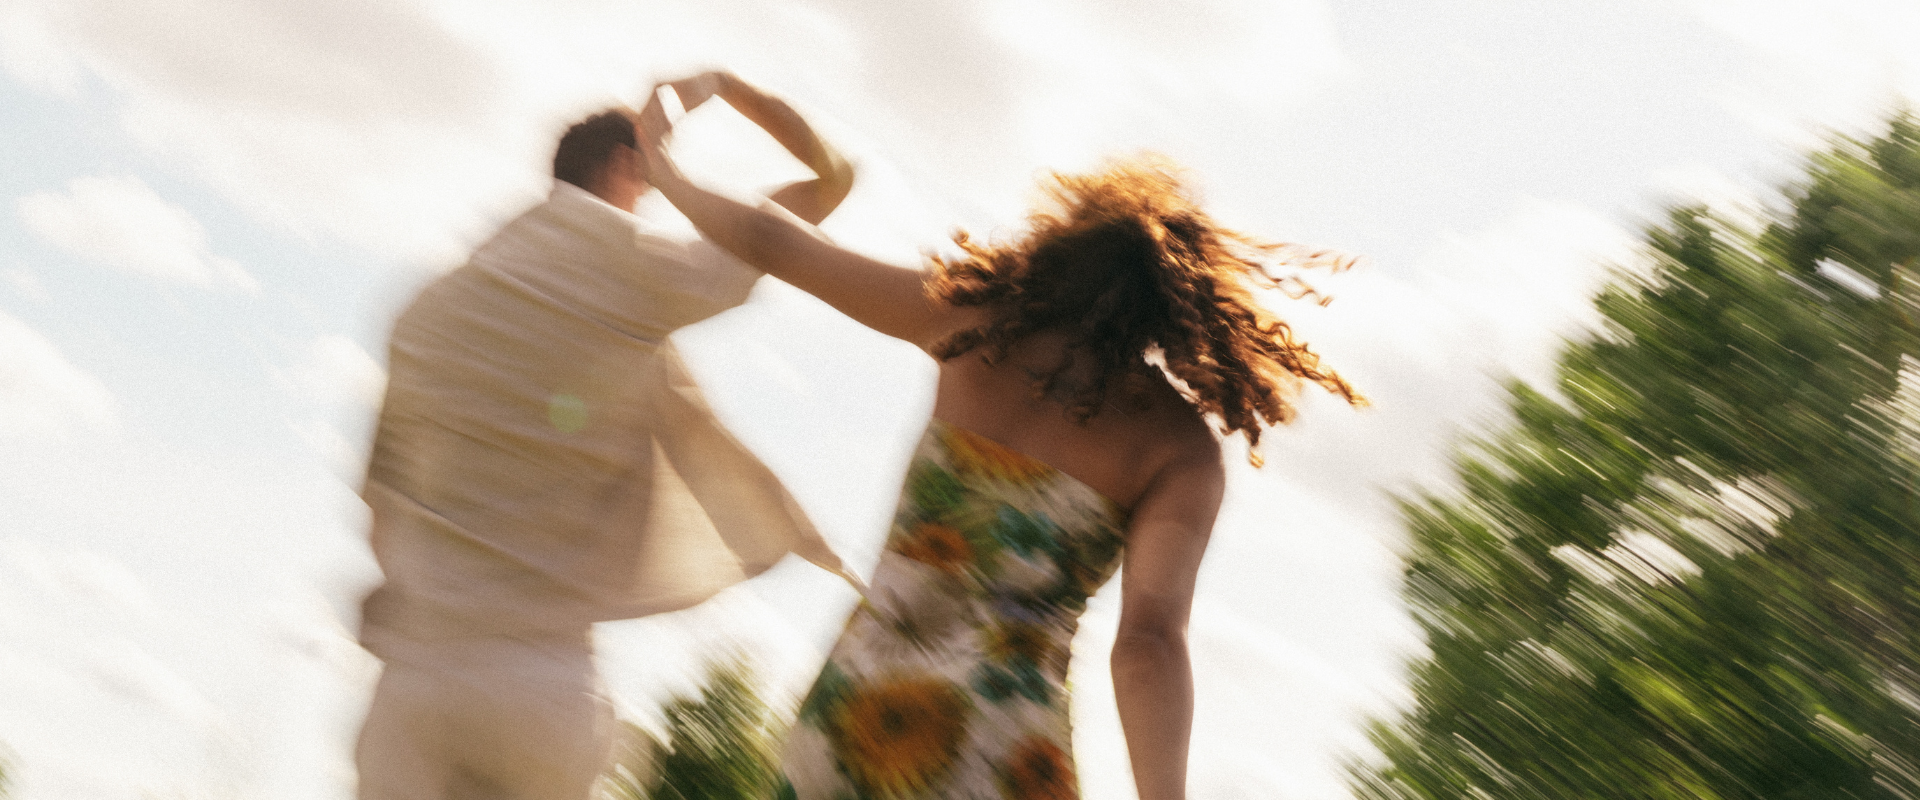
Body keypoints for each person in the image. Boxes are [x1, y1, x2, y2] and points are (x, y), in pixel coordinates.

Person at [639, 79, 1364, 800]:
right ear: (1177, 309)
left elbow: (773, 239)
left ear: (1063, 247)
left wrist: (662, 163)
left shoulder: (972, 324)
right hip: (1002, 747)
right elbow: (1148, 645)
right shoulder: (1178, 449)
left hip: (855, 719)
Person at [352, 72, 861, 800]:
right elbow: (833, 180)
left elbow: (379, 509)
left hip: (413, 683)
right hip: (541, 685)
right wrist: (718, 88)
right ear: (631, 165)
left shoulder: (427, 308)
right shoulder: (636, 268)